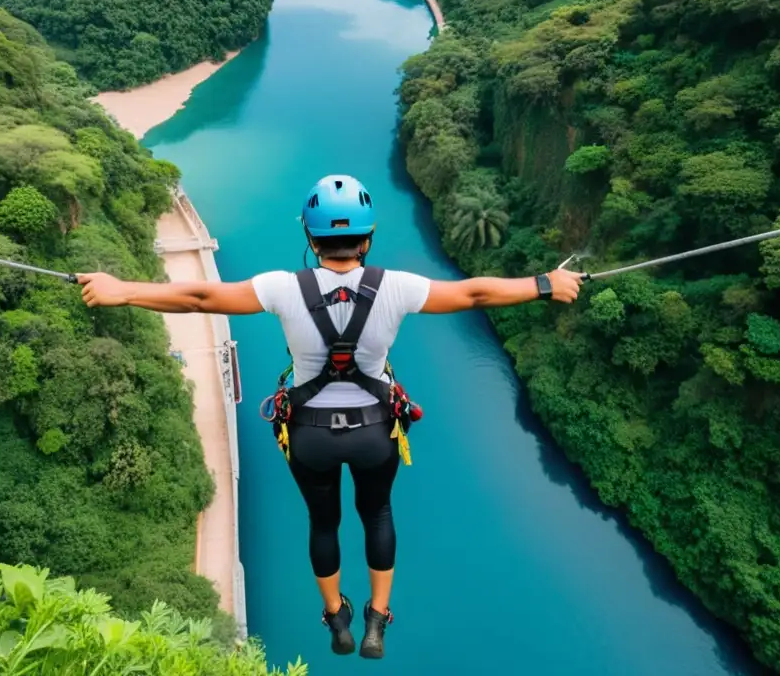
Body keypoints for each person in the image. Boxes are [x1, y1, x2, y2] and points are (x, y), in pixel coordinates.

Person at [78, 174, 583, 659]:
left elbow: (200, 297)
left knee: (324, 521)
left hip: (310, 435)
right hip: (374, 432)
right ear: (369, 237)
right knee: (377, 514)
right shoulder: (398, 287)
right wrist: (545, 283)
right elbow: (474, 293)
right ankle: (377, 620)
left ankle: (335, 616)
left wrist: (121, 289)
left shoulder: (281, 287)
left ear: (308, 234)